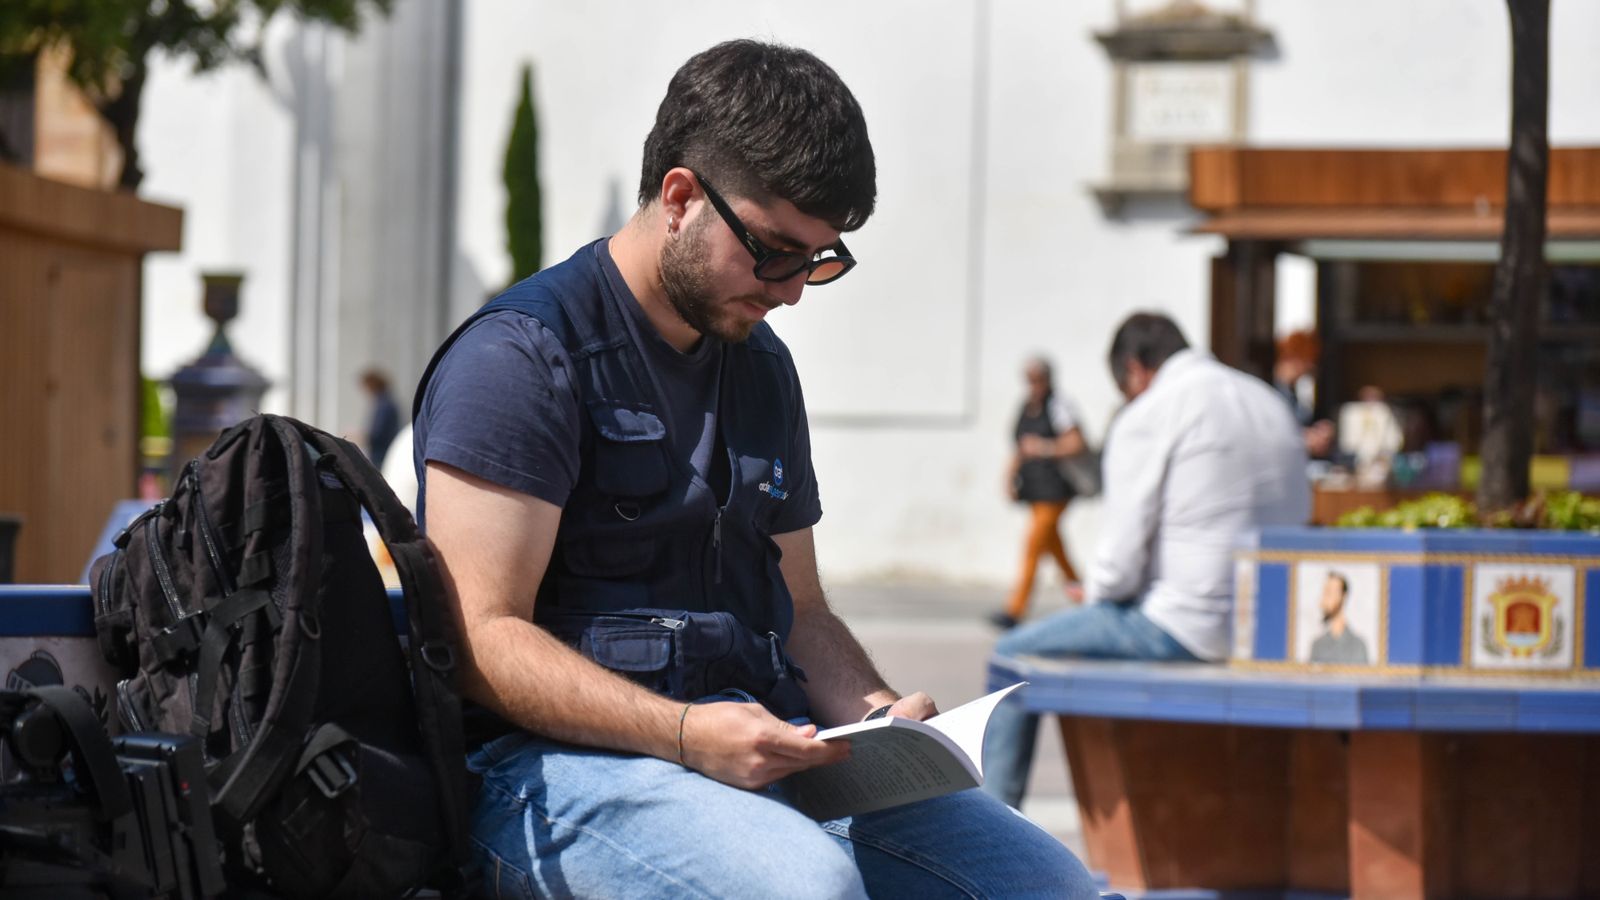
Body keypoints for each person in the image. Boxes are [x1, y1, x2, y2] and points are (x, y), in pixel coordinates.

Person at [412, 40, 1095, 899]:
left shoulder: (760, 363)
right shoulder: (521, 358)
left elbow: (799, 608)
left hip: (757, 746)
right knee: (803, 889)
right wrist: (688, 733)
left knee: (1055, 890)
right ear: (680, 196)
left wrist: (876, 713)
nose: (794, 290)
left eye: (821, 260)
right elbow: (480, 641)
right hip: (546, 770)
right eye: (775, 252)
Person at [981, 312, 1311, 809]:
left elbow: (1116, 572)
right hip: (1273, 626)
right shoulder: (1266, 400)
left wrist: (1094, 596)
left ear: (1135, 370)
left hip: (1188, 628)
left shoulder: (1153, 412)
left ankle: (995, 831)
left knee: (1010, 658)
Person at [993, 357, 1086, 630]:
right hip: (1034, 491)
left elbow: (1076, 443)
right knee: (1057, 552)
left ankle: (1015, 610)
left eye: (1037, 379)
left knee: (1033, 546)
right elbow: (1019, 447)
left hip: (1055, 491)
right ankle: (1085, 599)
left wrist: (1044, 448)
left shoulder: (1059, 405)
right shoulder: (1025, 407)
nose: (1033, 385)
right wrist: (1009, 477)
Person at [1273, 330, 1335, 458]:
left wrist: (1315, 431)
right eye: (1310, 363)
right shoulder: (1273, 391)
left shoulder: (1291, 391)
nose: (1312, 369)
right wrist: (1305, 438)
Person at [1308, 572, 1370, 664]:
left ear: (1343, 596)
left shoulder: (1359, 645)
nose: (1324, 599)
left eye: (1329, 592)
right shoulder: (1318, 645)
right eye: (1324, 593)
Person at [360, 368, 402, 468]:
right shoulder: (388, 402)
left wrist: (360, 437)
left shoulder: (383, 405)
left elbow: (377, 434)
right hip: (386, 451)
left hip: (381, 454)